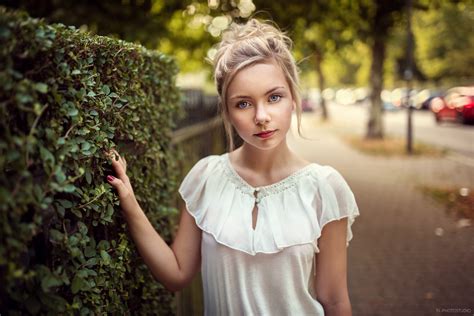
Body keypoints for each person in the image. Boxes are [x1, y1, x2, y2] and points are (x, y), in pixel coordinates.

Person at [106, 18, 360, 316]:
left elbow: (334, 300)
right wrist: (130, 203)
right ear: (226, 112)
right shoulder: (206, 177)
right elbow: (176, 275)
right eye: (243, 104)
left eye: (274, 97)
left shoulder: (324, 187)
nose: (262, 116)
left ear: (293, 99)